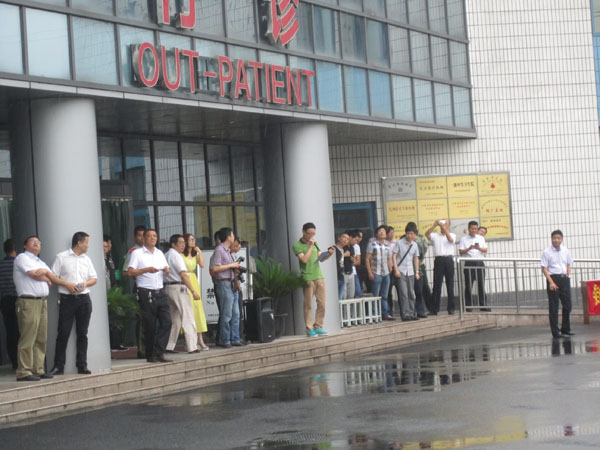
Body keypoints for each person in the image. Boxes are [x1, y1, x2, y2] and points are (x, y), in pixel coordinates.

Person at [49, 232, 98, 375]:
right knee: (63, 333)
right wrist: (67, 284)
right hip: (67, 299)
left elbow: (94, 278)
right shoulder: (61, 257)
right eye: (86, 242)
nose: (88, 246)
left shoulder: (87, 259)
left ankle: (82, 365)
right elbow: (52, 276)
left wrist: (85, 284)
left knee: (82, 334)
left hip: (84, 299)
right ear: (79, 242)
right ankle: (58, 366)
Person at [13, 236, 58, 381]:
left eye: (38, 243)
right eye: (33, 242)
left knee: (41, 338)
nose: (36, 244)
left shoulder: (40, 262)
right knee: (28, 337)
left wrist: (44, 274)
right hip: (28, 302)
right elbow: (33, 274)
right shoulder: (22, 258)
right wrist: (45, 276)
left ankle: (38, 369)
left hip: (42, 301)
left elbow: (52, 277)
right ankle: (24, 371)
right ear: (25, 246)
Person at [127, 229, 172, 363]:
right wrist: (146, 270)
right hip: (146, 292)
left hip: (160, 291)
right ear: (144, 238)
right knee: (150, 325)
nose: (153, 238)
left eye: (155, 236)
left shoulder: (159, 253)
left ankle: (159, 351)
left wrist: (166, 270)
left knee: (167, 322)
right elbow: (130, 272)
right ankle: (150, 354)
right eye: (150, 236)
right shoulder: (137, 253)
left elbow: (166, 269)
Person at [293, 222, 334, 337]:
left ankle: (318, 326)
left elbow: (321, 258)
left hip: (319, 276)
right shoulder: (297, 245)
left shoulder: (316, 243)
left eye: (313, 233)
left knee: (322, 303)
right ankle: (309, 328)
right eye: (309, 233)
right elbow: (304, 260)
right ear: (303, 231)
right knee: (308, 304)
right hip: (307, 277)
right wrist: (310, 246)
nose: (311, 235)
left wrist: (329, 254)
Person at [164, 234, 199, 354]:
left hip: (168, 287)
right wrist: (193, 290)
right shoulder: (176, 256)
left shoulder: (166, 255)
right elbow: (183, 275)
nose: (183, 245)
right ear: (173, 244)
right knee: (187, 316)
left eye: (184, 242)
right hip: (179, 287)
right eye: (180, 243)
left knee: (175, 319)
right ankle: (192, 346)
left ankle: (169, 346)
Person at [210, 227, 244, 348]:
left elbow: (227, 267)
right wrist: (231, 265)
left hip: (232, 282)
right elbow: (215, 268)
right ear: (228, 237)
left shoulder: (228, 251)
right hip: (224, 283)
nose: (234, 237)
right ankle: (225, 340)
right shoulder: (219, 250)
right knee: (227, 314)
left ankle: (235, 338)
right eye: (232, 235)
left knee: (236, 314)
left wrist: (235, 270)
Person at [541, 230, 574, 339]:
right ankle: (555, 332)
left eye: (558, 238)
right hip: (553, 279)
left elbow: (569, 263)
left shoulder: (566, 250)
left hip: (564, 279)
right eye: (554, 238)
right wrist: (551, 282)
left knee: (568, 305)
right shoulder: (546, 252)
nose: (556, 240)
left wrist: (568, 274)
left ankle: (565, 329)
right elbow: (544, 268)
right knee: (554, 307)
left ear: (561, 239)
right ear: (551, 239)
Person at [183, 233, 209, 350]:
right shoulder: (181, 255)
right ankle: (189, 340)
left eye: (194, 239)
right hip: (185, 280)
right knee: (188, 310)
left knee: (198, 310)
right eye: (190, 239)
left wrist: (199, 252)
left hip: (193, 280)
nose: (193, 241)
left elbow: (202, 264)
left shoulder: (194, 254)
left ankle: (200, 339)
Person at [425, 219, 456, 315]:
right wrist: (434, 225)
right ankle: (434, 309)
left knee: (450, 284)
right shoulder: (435, 235)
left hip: (449, 260)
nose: (443, 226)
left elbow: (450, 240)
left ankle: (451, 308)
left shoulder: (452, 235)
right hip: (439, 260)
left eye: (446, 224)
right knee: (437, 285)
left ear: (449, 225)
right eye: (442, 224)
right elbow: (427, 234)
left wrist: (444, 229)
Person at [392, 222, 420, 321]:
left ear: (415, 234)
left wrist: (417, 271)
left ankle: (412, 313)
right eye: (408, 233)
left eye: (411, 233)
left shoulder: (414, 245)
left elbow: (416, 258)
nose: (409, 235)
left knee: (411, 293)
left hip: (410, 271)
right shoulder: (399, 243)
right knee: (403, 293)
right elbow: (394, 256)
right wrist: (396, 270)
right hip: (401, 271)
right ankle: (405, 314)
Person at [459, 221, 488, 312]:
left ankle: (483, 305)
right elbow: (461, 251)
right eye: (472, 229)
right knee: (468, 285)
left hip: (479, 263)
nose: (474, 230)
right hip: (469, 263)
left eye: (475, 229)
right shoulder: (464, 239)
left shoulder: (480, 238)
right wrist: (469, 248)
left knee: (481, 285)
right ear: (469, 229)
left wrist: (479, 248)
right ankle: (468, 306)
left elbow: (485, 249)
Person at [366, 225, 394, 321]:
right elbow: (367, 259)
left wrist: (390, 268)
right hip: (376, 272)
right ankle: (374, 315)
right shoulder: (372, 244)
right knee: (375, 295)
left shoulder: (387, 245)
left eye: (384, 231)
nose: (382, 233)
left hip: (386, 273)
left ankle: (385, 314)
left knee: (384, 295)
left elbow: (389, 258)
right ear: (376, 234)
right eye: (380, 231)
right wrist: (370, 272)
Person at [0, 239, 18, 369]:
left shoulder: (1, 265)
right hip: (19, 300)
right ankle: (23, 361)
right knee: (23, 331)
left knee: (10, 332)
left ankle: (14, 361)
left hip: (5, 301)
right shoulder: (19, 264)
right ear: (15, 250)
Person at [414, 233, 432, 317]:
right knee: (416, 290)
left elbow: (424, 251)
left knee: (423, 288)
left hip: (420, 267)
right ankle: (416, 311)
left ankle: (428, 308)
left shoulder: (420, 239)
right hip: (410, 269)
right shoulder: (403, 242)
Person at [334, 233, 350, 300]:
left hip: (342, 276)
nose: (346, 240)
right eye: (344, 237)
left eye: (347, 239)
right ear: (339, 238)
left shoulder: (344, 250)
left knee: (340, 298)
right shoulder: (334, 249)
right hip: (335, 277)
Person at [350, 229, 363, 297]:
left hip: (354, 272)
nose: (358, 240)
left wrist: (351, 262)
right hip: (345, 273)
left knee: (358, 293)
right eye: (356, 239)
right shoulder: (345, 247)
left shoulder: (356, 246)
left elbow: (358, 261)